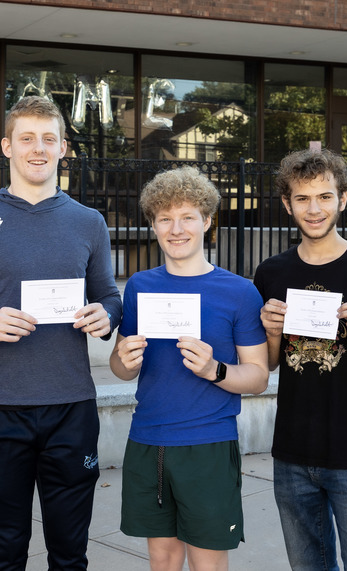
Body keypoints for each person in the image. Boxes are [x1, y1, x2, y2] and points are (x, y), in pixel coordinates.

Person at [0, 95, 122, 570]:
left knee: (70, 552)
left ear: (63, 149)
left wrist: (107, 316)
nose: (38, 149)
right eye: (27, 138)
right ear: (7, 146)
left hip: (70, 406)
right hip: (0, 408)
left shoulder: (89, 222)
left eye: (49, 139)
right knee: (7, 549)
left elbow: (110, 296)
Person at [110, 166, 269, 571]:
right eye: (165, 218)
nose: (176, 228)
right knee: (162, 559)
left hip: (208, 443)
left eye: (187, 217)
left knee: (207, 561)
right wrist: (122, 359)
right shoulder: (141, 286)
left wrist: (215, 369)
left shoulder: (239, 291)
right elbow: (122, 368)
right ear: (153, 224)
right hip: (148, 438)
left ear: (207, 221)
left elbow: (258, 376)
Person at [252, 148, 347, 571]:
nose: (314, 209)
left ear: (343, 198)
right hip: (292, 452)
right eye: (302, 198)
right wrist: (271, 331)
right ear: (287, 204)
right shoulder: (270, 272)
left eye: (324, 196)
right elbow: (269, 364)